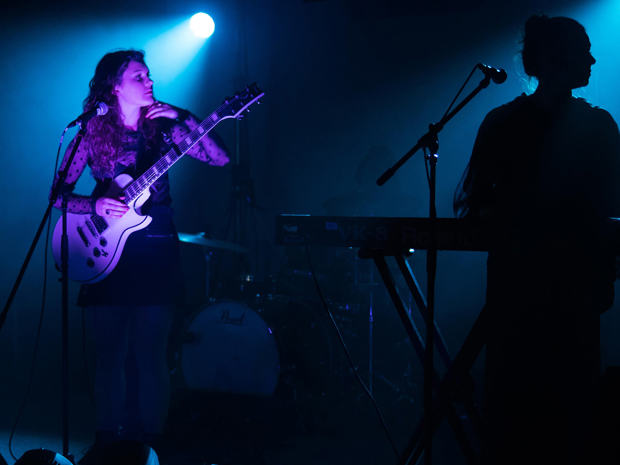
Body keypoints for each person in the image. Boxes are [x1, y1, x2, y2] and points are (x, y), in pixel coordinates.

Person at [454, 15, 620, 465]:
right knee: (569, 419)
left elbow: (474, 205)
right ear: (557, 58)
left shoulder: (503, 122)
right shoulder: (599, 126)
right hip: (569, 296)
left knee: (515, 420)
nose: (592, 58)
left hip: (519, 294)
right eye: (584, 49)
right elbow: (611, 211)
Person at [51, 50, 229, 449]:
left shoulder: (165, 126)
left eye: (149, 75)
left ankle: (151, 445)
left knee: (151, 353)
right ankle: (105, 442)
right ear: (114, 87)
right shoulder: (90, 132)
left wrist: (183, 118)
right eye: (139, 76)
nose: (150, 82)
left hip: (154, 246)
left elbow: (219, 159)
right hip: (102, 247)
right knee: (108, 353)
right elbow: (57, 194)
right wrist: (95, 204)